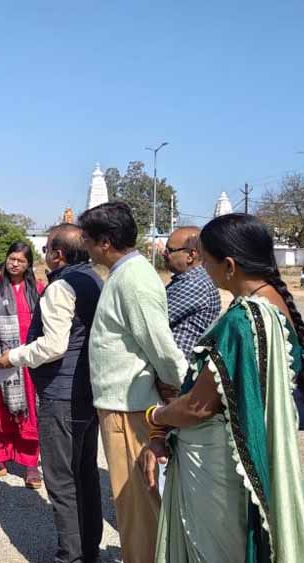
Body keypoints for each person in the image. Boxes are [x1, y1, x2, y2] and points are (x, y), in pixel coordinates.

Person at [139, 213, 304, 561]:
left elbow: (198, 407)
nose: (204, 269)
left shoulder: (242, 320)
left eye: (206, 261)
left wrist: (155, 416)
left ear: (230, 266)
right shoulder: (277, 306)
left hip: (217, 465)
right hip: (241, 457)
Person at [78, 202, 187, 563]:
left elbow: (162, 348)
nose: (85, 246)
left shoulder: (134, 280)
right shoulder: (123, 274)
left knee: (139, 509)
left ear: (105, 242)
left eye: (88, 239)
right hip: (121, 404)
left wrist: (179, 392)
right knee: (134, 506)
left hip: (130, 409)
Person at [0, 224, 104, 563]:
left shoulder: (61, 287)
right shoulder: (93, 279)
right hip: (87, 392)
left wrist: (13, 356)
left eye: (45, 250)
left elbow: (54, 345)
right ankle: (88, 551)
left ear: (57, 254)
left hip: (62, 395)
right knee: (85, 474)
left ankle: (70, 556)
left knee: (61, 480)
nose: (44, 256)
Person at [0, 242, 44, 487]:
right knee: (0, 407)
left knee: (31, 409)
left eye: (21, 261)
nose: (15, 264)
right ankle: (0, 457)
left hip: (29, 361)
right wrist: (0, 345)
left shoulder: (38, 289)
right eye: (12, 259)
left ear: (29, 265)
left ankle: (30, 462)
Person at [163, 226, 221, 359]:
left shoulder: (195, 284)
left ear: (190, 255)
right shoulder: (187, 280)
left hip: (179, 368)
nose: (164, 254)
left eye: (170, 250)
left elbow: (153, 320)